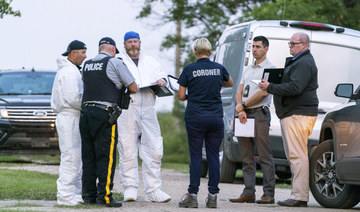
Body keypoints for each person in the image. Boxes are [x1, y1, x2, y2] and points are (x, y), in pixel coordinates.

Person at [259, 32, 318, 207]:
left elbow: (295, 87)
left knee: (297, 156)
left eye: (294, 43)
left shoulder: (304, 62)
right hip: (293, 114)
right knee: (295, 155)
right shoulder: (300, 61)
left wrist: (270, 86)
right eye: (289, 43)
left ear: (304, 45)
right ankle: (297, 194)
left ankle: (299, 196)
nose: (290, 46)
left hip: (298, 114)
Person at [79, 37, 138, 207]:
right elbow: (133, 87)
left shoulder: (87, 64)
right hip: (104, 114)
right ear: (112, 49)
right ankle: (104, 197)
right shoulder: (114, 62)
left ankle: (88, 197)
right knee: (106, 156)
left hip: (86, 113)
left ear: (99, 49)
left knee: (88, 156)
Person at [177, 38, 233, 208]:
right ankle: (213, 196)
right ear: (210, 52)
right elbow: (229, 83)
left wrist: (192, 95)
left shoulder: (189, 69)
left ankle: (192, 195)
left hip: (195, 117)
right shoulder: (218, 68)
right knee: (213, 156)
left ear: (195, 51)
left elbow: (180, 96)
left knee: (196, 156)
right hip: (215, 117)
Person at [117, 31, 171, 203]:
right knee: (127, 148)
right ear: (124, 44)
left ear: (140, 43)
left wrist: (162, 81)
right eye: (129, 42)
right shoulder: (119, 61)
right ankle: (130, 187)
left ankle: (154, 190)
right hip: (127, 107)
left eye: (135, 42)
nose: (133, 45)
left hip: (148, 107)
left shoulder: (151, 61)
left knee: (154, 148)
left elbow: (162, 77)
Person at [230, 36, 276, 204]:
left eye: (258, 47)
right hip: (244, 115)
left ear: (266, 49)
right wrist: (240, 108)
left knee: (264, 156)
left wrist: (243, 105)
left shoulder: (270, 69)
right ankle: (248, 192)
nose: (254, 49)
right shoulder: (248, 69)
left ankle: (269, 194)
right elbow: (239, 90)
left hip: (259, 115)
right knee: (246, 156)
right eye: (253, 47)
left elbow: (264, 93)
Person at [51, 40, 87, 206]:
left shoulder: (71, 70)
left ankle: (74, 193)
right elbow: (74, 98)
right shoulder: (69, 72)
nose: (85, 56)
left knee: (75, 156)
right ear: (73, 53)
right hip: (69, 116)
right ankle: (65, 195)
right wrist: (88, 104)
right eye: (82, 52)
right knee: (71, 156)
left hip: (72, 116)